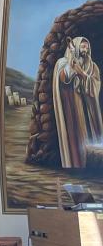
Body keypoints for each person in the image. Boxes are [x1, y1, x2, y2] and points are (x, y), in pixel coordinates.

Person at [52, 35, 103, 169]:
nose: (85, 49)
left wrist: (83, 74)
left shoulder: (92, 66)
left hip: (89, 109)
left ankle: (93, 168)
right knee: (76, 138)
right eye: (83, 46)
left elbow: (95, 86)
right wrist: (71, 67)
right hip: (73, 107)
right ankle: (77, 166)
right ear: (76, 46)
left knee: (92, 142)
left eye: (87, 47)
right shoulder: (62, 63)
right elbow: (63, 79)